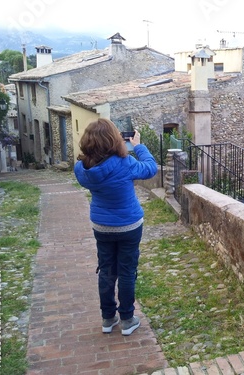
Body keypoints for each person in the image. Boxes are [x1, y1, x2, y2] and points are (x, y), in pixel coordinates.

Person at [74, 118, 158, 336]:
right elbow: (150, 169)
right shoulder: (124, 163)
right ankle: (127, 320)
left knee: (106, 270)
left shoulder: (82, 169)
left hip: (102, 226)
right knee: (127, 272)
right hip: (129, 226)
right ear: (114, 139)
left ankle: (108, 318)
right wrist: (138, 145)